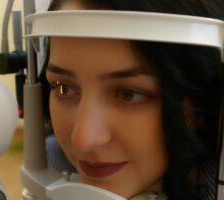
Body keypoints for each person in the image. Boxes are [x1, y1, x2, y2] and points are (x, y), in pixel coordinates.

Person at [39, 0, 224, 199]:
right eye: (64, 88)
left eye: (128, 94)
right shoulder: (50, 165)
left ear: (202, 101)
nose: (83, 140)